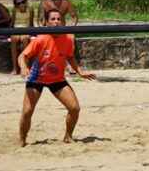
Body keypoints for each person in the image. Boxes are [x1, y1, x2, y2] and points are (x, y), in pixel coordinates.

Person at [17, 9, 95, 147]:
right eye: (52, 19)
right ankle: (22, 139)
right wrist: (23, 67)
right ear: (46, 22)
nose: (56, 21)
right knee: (27, 111)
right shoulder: (40, 39)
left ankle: (68, 136)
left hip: (57, 79)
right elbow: (22, 56)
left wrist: (80, 71)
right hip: (36, 79)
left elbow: (70, 56)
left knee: (74, 108)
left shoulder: (68, 39)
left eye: (59, 19)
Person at [10, 0, 34, 75]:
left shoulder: (30, 9)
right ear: (16, 5)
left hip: (26, 29)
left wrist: (31, 33)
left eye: (22, 2)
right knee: (13, 40)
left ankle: (25, 66)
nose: (21, 4)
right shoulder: (14, 10)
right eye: (18, 3)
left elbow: (31, 23)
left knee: (25, 40)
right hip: (16, 29)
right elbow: (12, 23)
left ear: (25, 2)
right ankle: (15, 68)